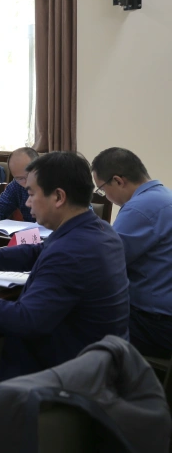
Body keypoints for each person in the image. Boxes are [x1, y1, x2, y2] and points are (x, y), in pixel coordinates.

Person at [0, 151, 129, 380]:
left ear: (58, 197)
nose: (27, 203)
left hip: (62, 379)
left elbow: (25, 321)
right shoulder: (99, 229)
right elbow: (38, 251)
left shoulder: (71, 252)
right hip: (93, 361)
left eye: (31, 194)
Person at [91, 147, 172, 357]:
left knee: (74, 319)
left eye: (102, 189)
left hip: (156, 325)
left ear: (118, 181)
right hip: (163, 316)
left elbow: (105, 263)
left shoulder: (139, 208)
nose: (106, 197)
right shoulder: (165, 196)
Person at [0, 148, 39, 224]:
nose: (27, 183)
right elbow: (2, 206)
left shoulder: (53, 183)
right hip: (30, 230)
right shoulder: (16, 185)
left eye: (28, 175)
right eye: (19, 178)